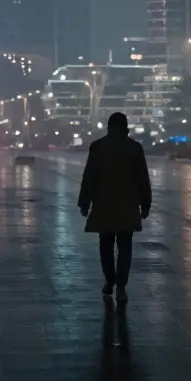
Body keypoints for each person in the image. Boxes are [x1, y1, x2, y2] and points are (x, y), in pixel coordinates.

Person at [78, 112, 152, 303]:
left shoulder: (98, 147)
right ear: (126, 128)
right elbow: (143, 179)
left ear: (108, 128)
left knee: (106, 244)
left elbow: (89, 178)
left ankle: (109, 281)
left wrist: (84, 203)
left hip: (104, 204)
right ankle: (121, 287)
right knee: (125, 246)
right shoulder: (135, 149)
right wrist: (145, 204)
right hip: (128, 205)